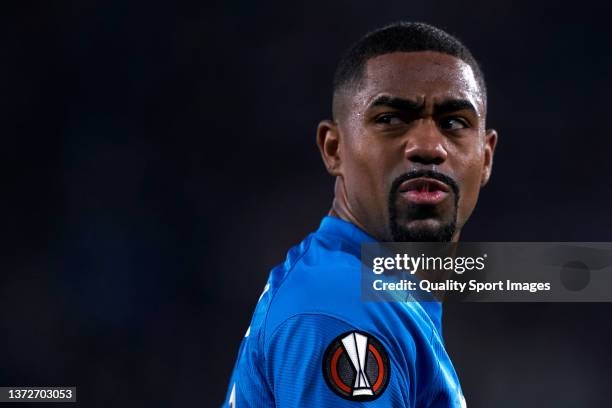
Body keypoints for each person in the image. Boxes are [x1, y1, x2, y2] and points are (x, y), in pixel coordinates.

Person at [222, 21, 497, 407]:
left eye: (454, 123)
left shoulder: (377, 291)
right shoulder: (341, 304)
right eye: (390, 119)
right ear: (334, 149)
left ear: (485, 158)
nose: (428, 146)